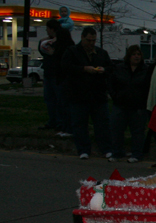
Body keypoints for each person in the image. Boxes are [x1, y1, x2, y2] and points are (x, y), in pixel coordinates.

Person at [62, 26, 113, 160]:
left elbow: (111, 68)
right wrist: (83, 69)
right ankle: (83, 150)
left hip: (98, 94)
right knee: (80, 124)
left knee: (102, 124)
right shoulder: (72, 52)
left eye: (93, 41)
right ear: (82, 38)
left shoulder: (101, 53)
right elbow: (65, 68)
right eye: (89, 40)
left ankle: (106, 149)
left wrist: (104, 70)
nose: (91, 43)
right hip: (78, 95)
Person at [109, 45, 149, 163]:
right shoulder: (119, 68)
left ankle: (137, 154)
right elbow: (111, 83)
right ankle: (117, 153)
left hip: (138, 106)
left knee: (137, 132)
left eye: (138, 54)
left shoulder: (146, 70)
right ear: (129, 56)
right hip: (120, 104)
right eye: (134, 54)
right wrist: (115, 96)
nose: (136, 57)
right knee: (116, 130)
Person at [37, 19, 67, 131]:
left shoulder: (60, 42)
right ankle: (54, 121)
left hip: (56, 74)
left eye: (47, 29)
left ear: (52, 29)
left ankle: (59, 121)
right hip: (50, 73)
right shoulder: (48, 42)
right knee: (50, 99)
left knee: (57, 99)